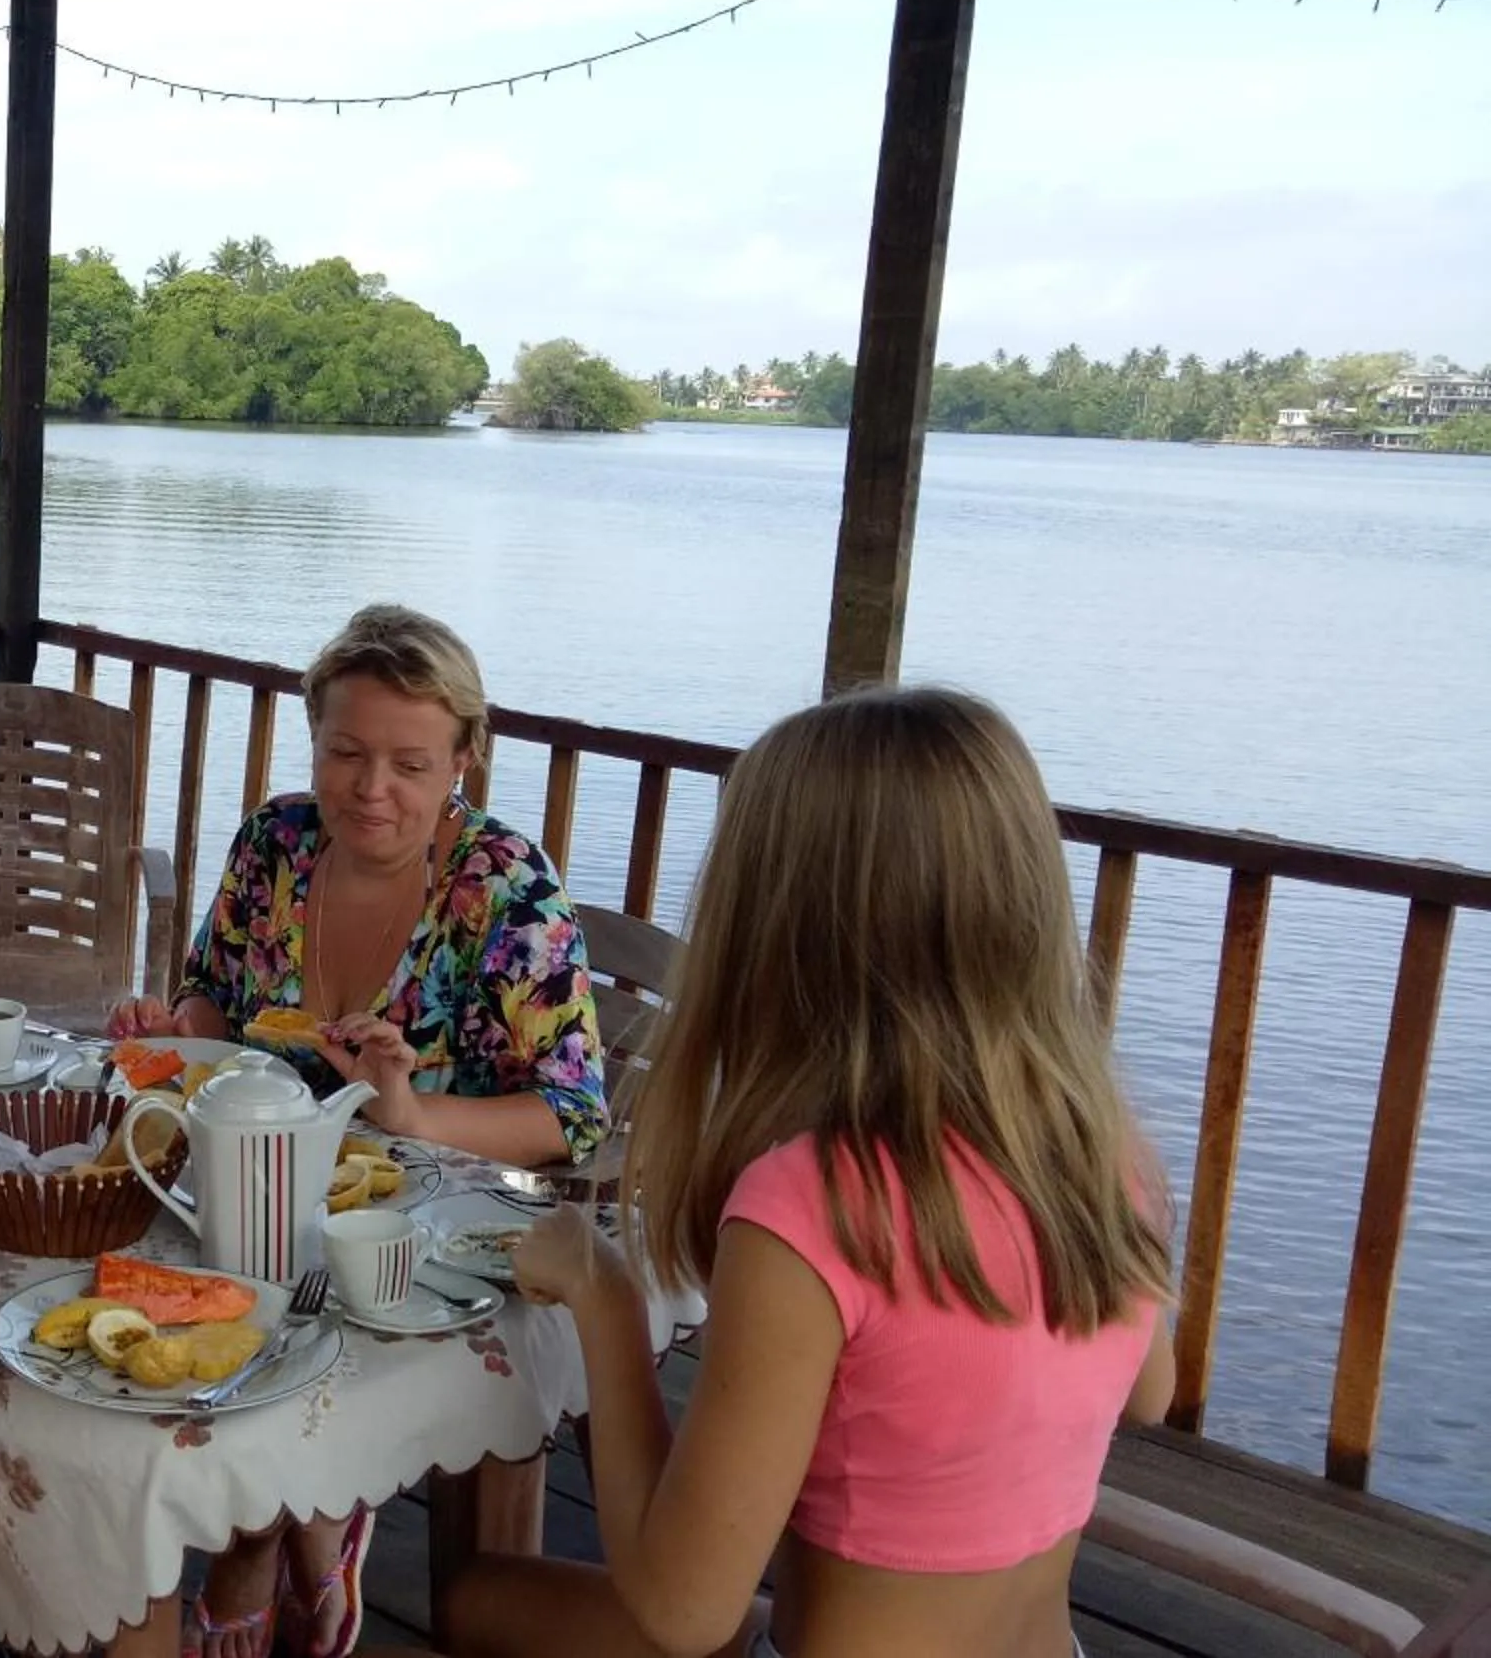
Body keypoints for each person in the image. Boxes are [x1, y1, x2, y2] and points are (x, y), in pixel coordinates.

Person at [446, 686, 1177, 1658]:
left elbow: (680, 1607)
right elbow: (1148, 1392)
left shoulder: (813, 1204)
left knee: (467, 1600)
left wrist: (600, 1286)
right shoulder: (1103, 1144)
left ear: (779, 926)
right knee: (482, 1600)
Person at [104, 604, 610, 1658]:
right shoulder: (275, 843)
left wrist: (412, 1111)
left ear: (465, 756)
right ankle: (301, 1516)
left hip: (438, 1218)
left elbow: (570, 1116)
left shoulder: (504, 889)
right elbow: (214, 1001)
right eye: (345, 751)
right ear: (315, 741)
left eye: (410, 762)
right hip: (258, 1176)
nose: (370, 788)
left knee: (268, 1301)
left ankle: (256, 1536)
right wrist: (172, 1031)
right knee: (145, 1284)